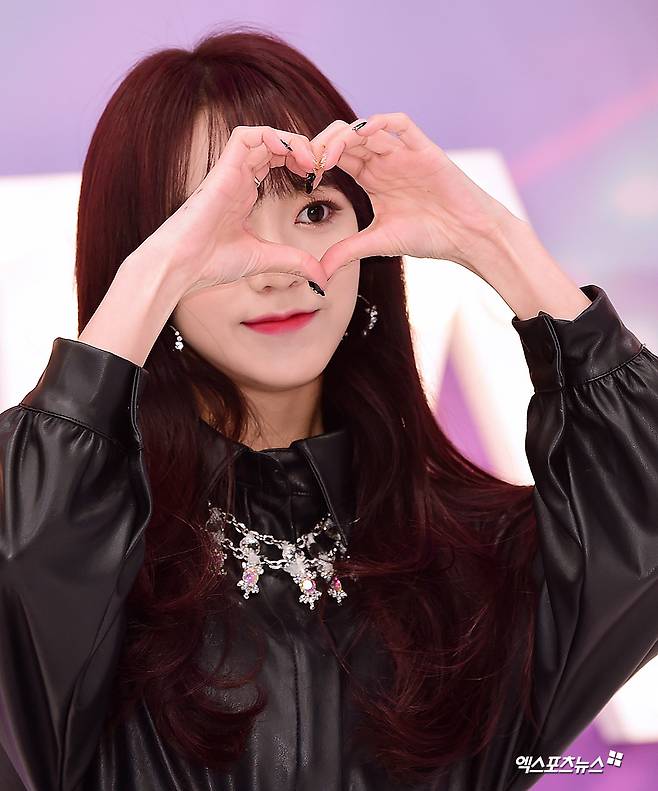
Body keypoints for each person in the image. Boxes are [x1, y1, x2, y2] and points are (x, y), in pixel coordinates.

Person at [1, 25, 657, 791]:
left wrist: (492, 236)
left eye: (314, 212)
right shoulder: (88, 566)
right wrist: (149, 283)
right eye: (218, 222)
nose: (278, 268)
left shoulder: (483, 567)